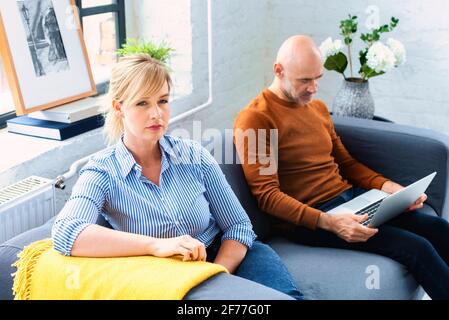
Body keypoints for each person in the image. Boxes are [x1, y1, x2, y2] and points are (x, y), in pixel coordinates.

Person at [51, 53, 303, 300]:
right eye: (142, 103)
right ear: (119, 108)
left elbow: (238, 226)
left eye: (162, 100)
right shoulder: (102, 172)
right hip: (173, 276)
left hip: (231, 257)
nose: (156, 114)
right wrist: (156, 245)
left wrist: (218, 273)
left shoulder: (194, 155)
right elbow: (66, 232)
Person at [234, 35, 449, 300]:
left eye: (318, 78)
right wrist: (329, 222)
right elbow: (268, 196)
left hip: (352, 199)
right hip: (313, 220)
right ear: (279, 70)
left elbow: (347, 164)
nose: (313, 88)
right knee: (417, 248)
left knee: (439, 229)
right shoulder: (256, 118)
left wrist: (390, 188)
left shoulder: (318, 108)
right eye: (304, 80)